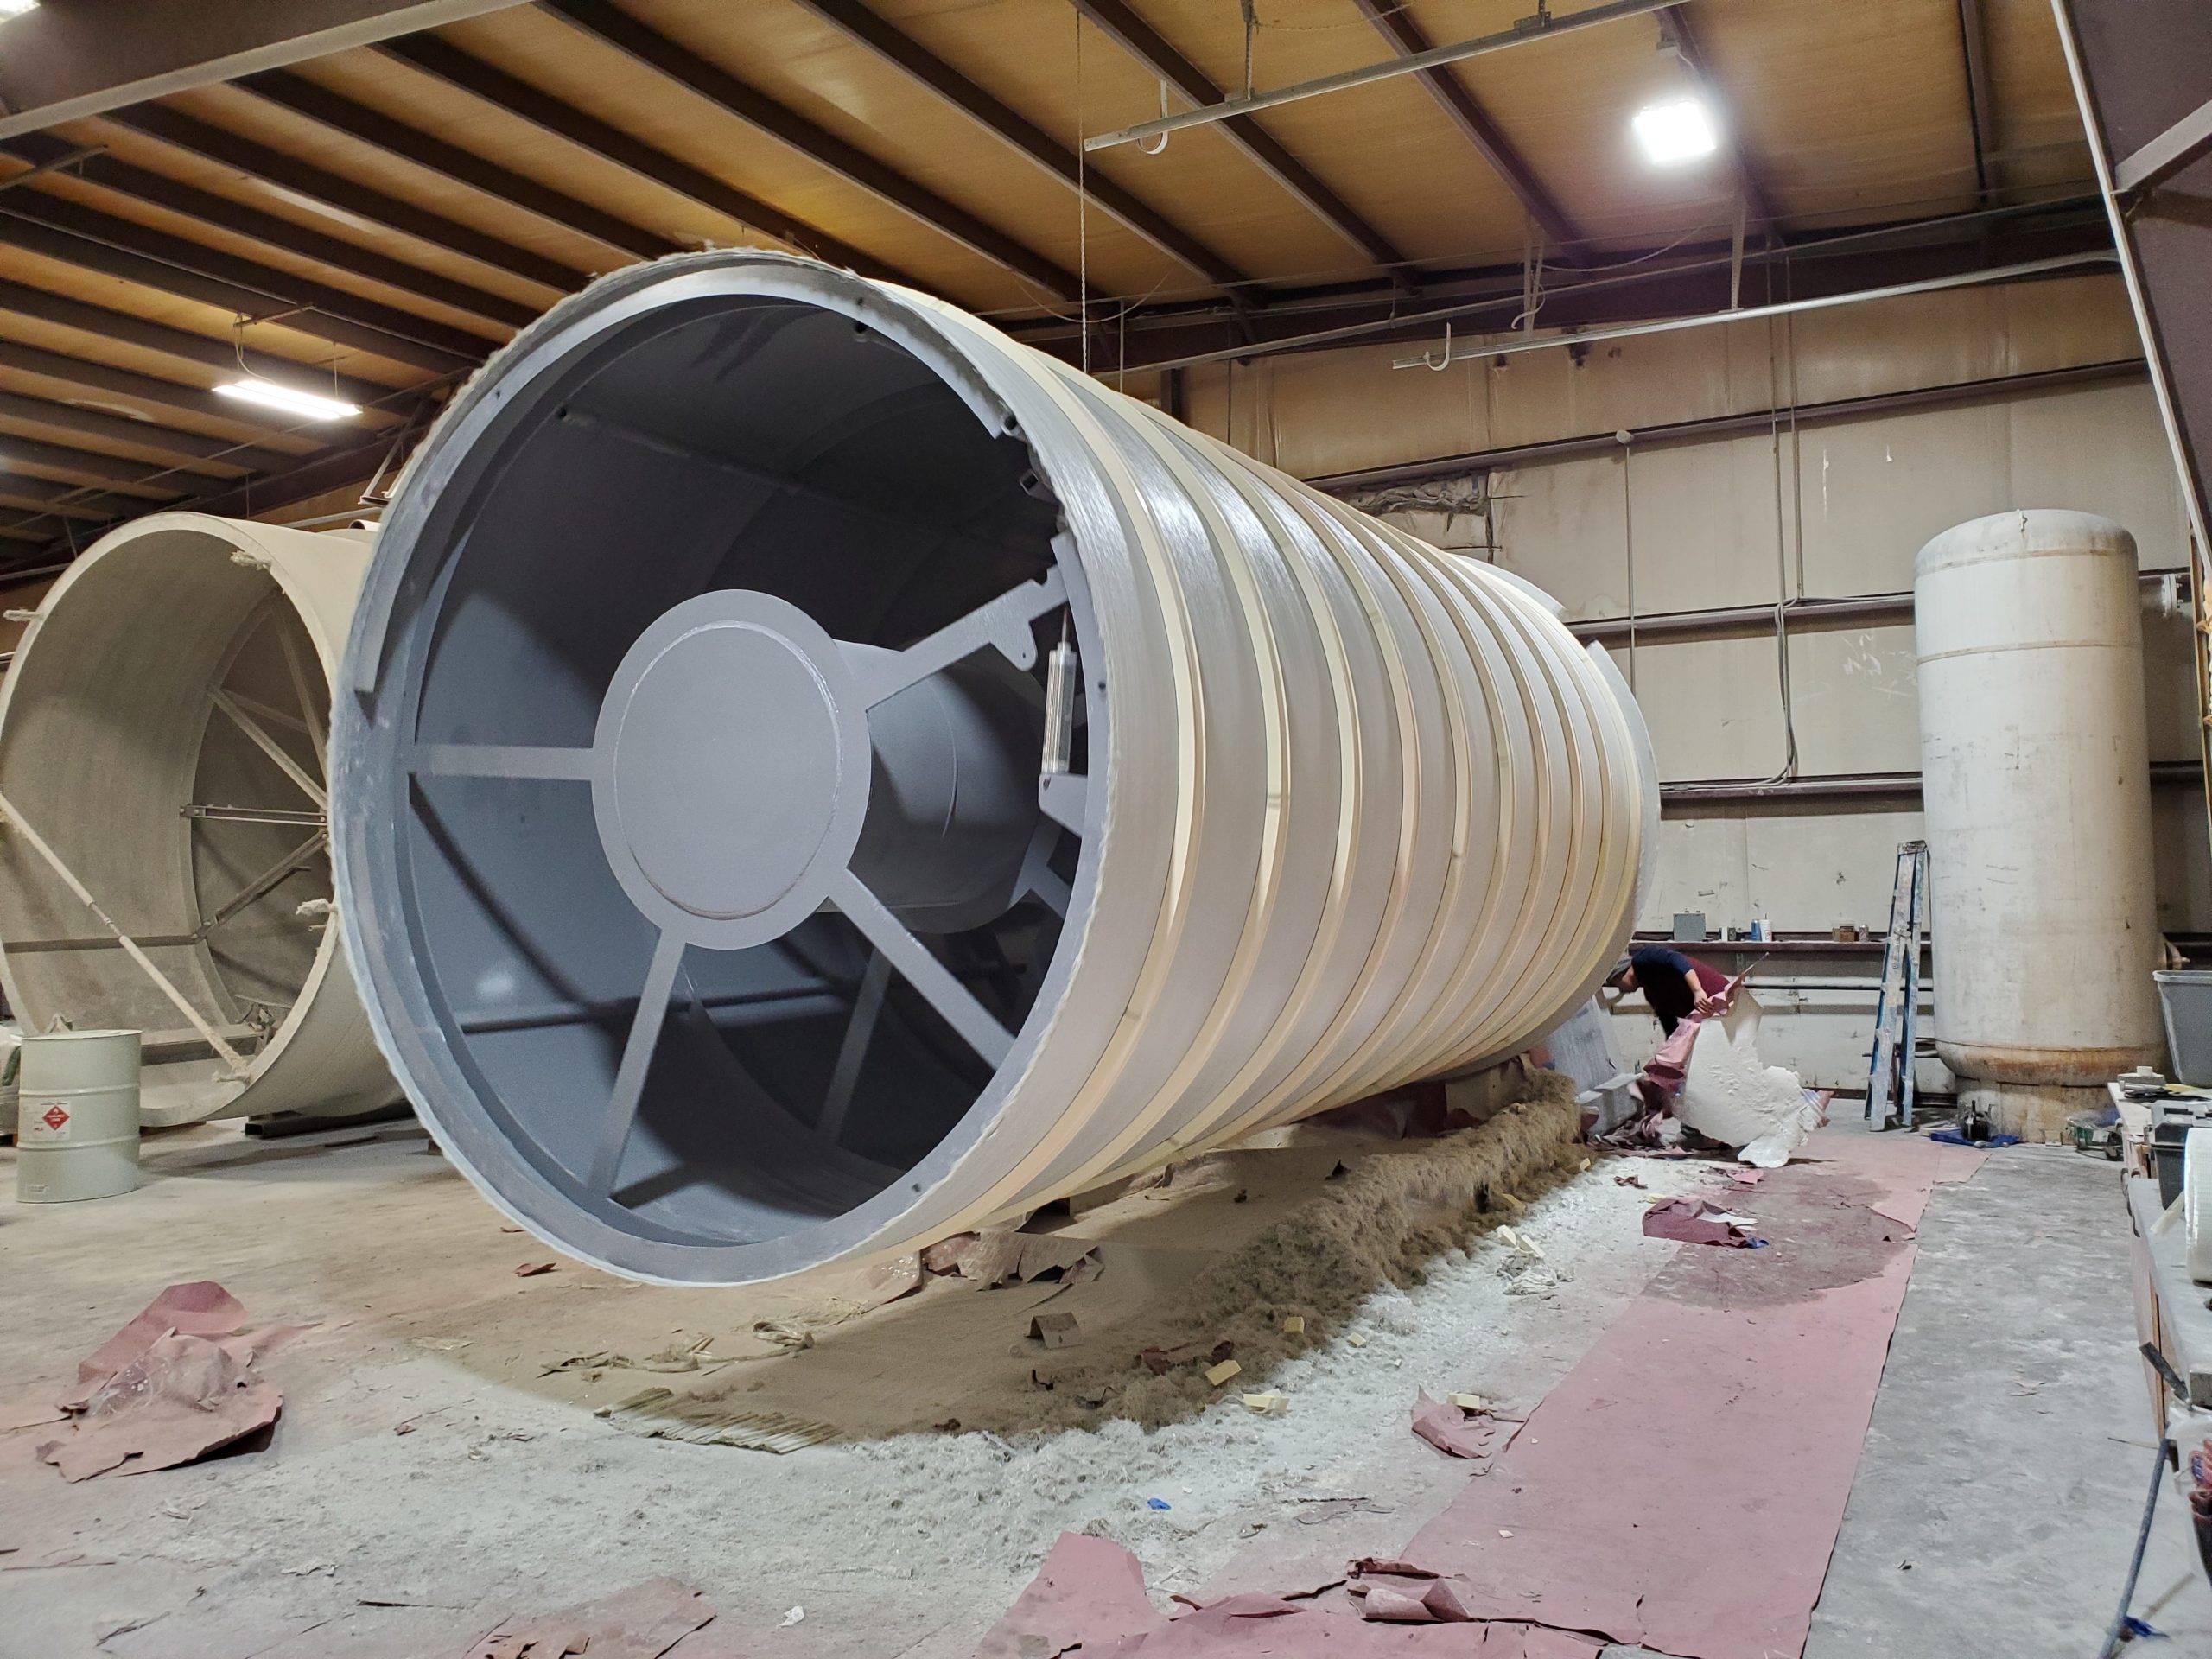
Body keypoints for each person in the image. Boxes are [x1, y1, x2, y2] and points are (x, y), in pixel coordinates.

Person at [1609, 944, 1731, 1037]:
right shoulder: (1652, 994)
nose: (1621, 989)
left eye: (1617, 984)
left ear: (1619, 974)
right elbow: (1671, 1029)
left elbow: (1675, 958)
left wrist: (1697, 990)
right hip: (1712, 1016)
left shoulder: (1642, 959)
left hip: (1724, 999)